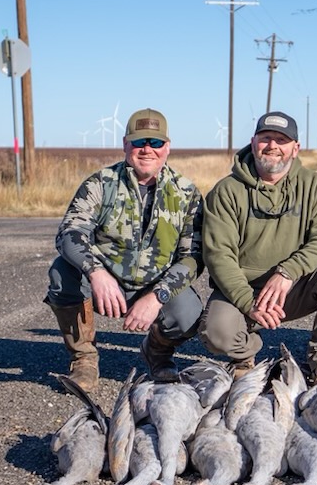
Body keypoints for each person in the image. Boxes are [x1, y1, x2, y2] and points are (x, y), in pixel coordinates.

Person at [45, 108, 204, 392]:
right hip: (105, 283)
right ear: (125, 144)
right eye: (139, 141)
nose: (147, 149)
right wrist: (96, 273)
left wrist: (158, 296)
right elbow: (69, 233)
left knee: (189, 311)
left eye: (155, 143)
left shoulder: (186, 193)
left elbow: (192, 257)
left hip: (154, 285)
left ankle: (157, 351)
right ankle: (84, 358)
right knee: (61, 272)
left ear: (167, 147)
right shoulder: (100, 183)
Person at [199, 111, 317, 384]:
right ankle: (245, 356)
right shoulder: (227, 191)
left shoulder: (314, 186)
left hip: (293, 288)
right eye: (266, 138)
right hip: (244, 291)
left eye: (282, 140)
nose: (273, 146)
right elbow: (218, 254)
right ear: (253, 141)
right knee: (217, 333)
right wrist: (248, 302)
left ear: (295, 148)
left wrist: (288, 272)